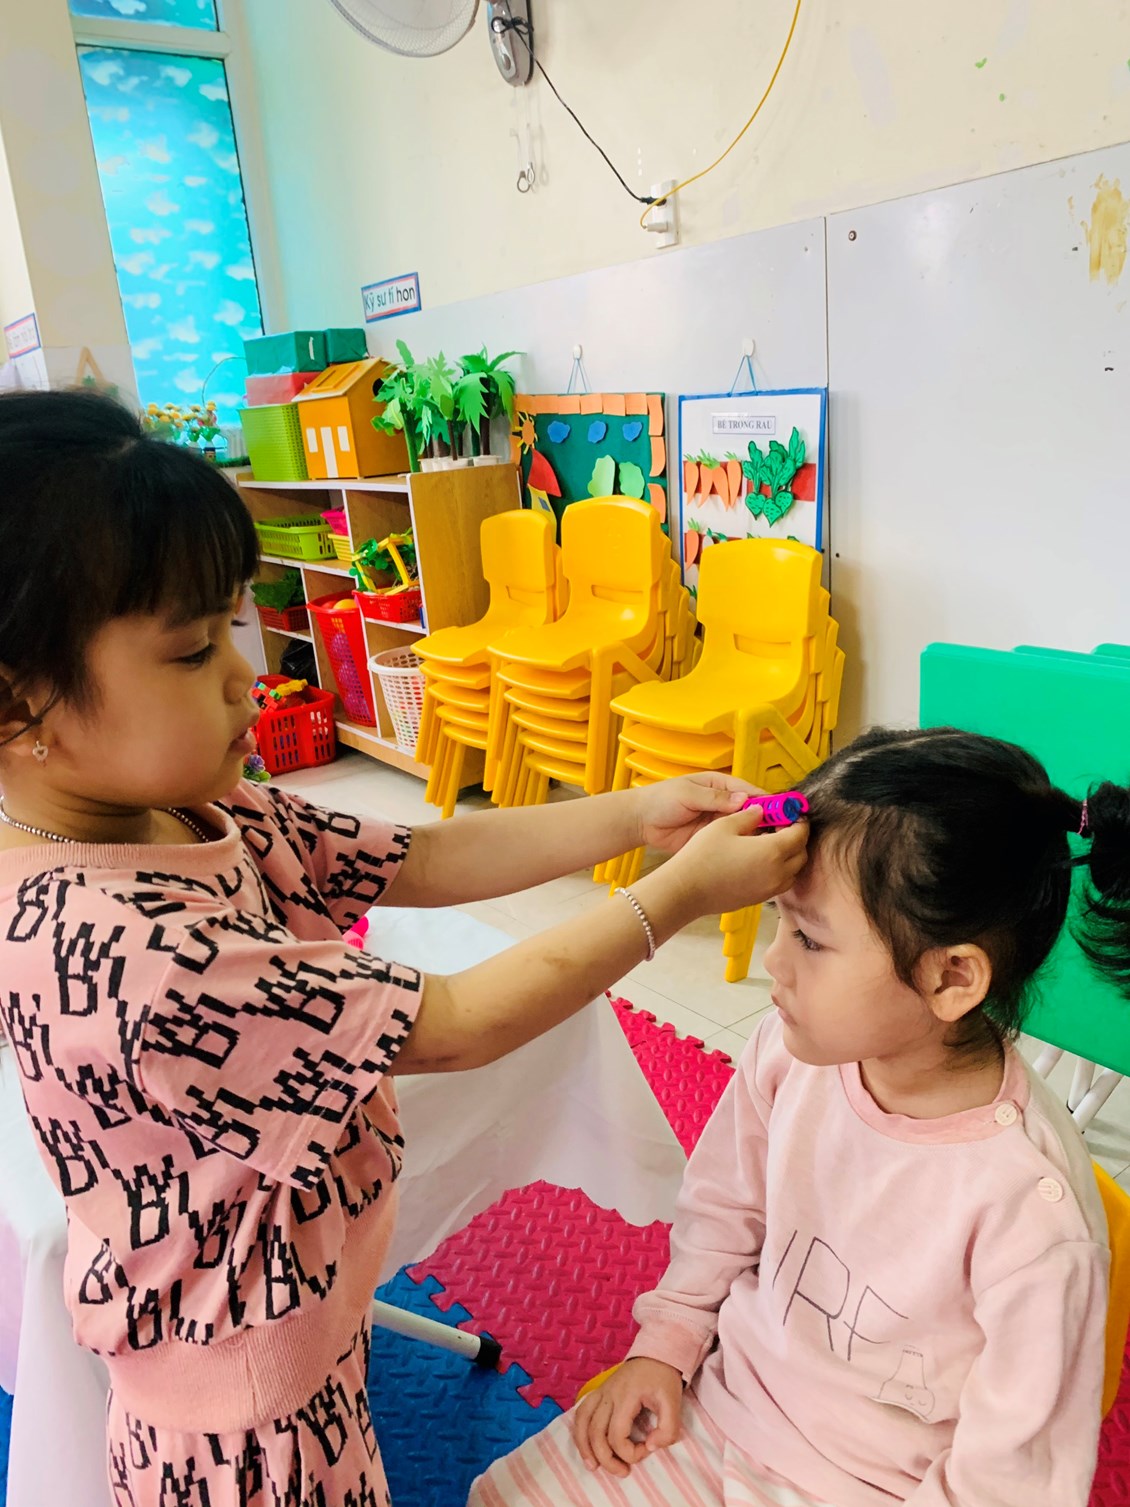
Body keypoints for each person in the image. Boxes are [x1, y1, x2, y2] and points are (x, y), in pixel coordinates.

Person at [0, 388, 808, 1507]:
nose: (243, 672)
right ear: (20, 699)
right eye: (190, 650)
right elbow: (456, 1024)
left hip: (304, 1328)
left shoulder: (183, 809)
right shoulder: (126, 950)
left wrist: (635, 813)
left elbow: (420, 856)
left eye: (232, 624)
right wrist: (675, 895)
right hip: (244, 1425)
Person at [472, 726, 1130, 1507]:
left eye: (810, 938)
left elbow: (1007, 1479)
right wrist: (664, 1346)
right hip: (721, 1406)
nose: (773, 961)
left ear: (952, 977)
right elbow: (724, 1205)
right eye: (779, 920)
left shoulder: (1033, 1215)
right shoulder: (791, 1054)